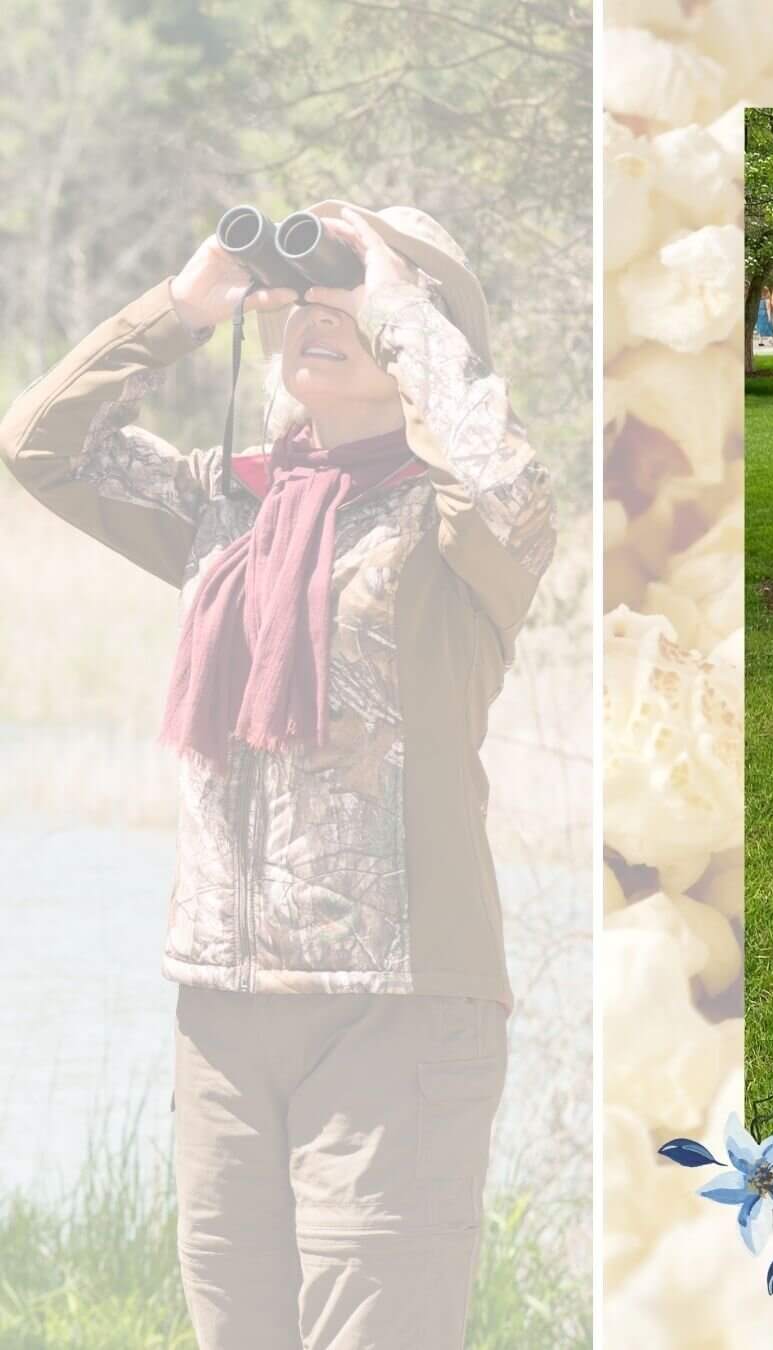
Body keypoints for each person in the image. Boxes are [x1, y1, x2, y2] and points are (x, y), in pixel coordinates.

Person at [0, 203, 554, 1342]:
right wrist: (184, 307)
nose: (320, 309)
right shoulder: (232, 505)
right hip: (222, 1012)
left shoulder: (461, 534)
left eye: (353, 294)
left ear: (421, 336)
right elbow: (41, 446)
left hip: (396, 1014)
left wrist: (392, 299)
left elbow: (504, 482)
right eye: (302, 293)